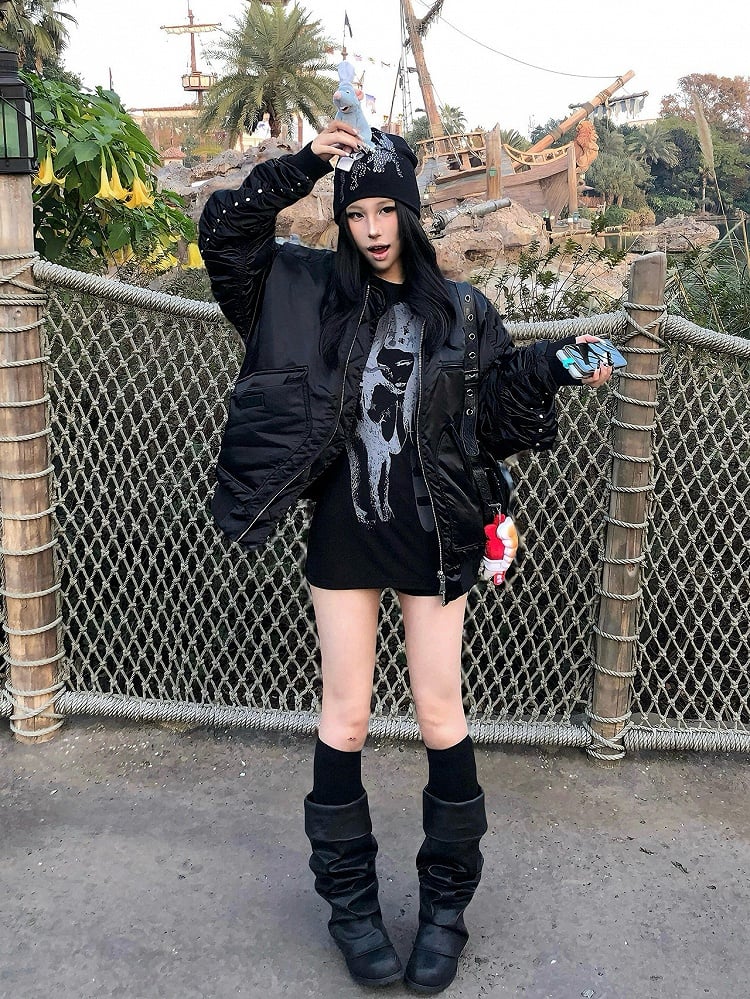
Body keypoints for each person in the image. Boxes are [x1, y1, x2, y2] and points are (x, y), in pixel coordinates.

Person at [198, 120, 612, 994]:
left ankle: (445, 910)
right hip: (344, 531)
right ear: (342, 219)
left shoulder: (462, 310)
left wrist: (555, 366)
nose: (374, 228)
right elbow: (226, 234)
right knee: (345, 714)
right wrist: (304, 165)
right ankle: (351, 908)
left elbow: (492, 417)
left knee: (439, 708)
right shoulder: (302, 292)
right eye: (357, 213)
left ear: (413, 214)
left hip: (434, 530)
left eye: (388, 210)